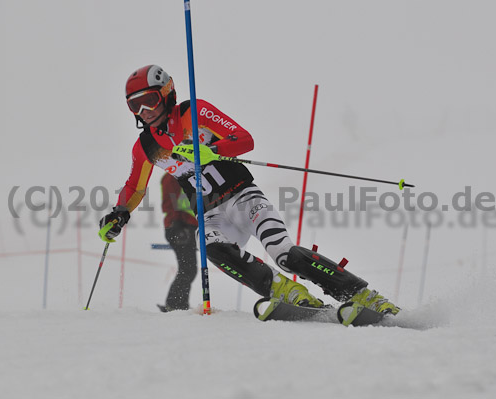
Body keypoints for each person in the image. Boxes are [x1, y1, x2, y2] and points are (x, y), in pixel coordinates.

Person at [99, 64, 399, 315]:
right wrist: (119, 213)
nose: (144, 110)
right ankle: (283, 291)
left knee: (284, 254)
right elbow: (134, 187)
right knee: (209, 245)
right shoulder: (146, 147)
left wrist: (212, 148)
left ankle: (362, 296)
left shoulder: (193, 112)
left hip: (243, 197)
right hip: (211, 213)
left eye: (149, 100)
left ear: (166, 94)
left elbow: (244, 139)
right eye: (134, 104)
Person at [157, 172, 198, 312]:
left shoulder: (188, 174)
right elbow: (170, 203)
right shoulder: (172, 177)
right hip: (179, 227)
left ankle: (177, 304)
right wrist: (177, 224)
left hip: (188, 226)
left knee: (188, 268)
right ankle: (175, 305)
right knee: (188, 268)